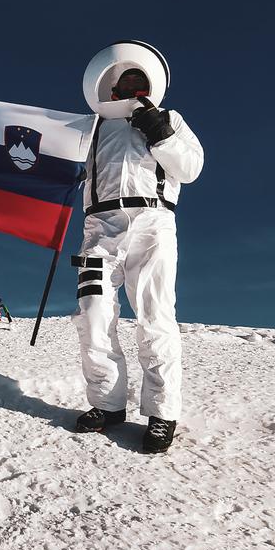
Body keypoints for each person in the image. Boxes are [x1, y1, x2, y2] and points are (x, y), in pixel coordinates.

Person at [71, 41, 204, 453]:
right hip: (100, 226)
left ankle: (162, 413)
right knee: (93, 312)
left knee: (155, 316)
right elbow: (57, 167)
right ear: (108, 89)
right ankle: (108, 404)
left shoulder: (169, 119)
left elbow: (191, 168)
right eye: (121, 82)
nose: (128, 88)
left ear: (148, 86)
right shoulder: (88, 127)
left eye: (136, 81)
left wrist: (158, 131)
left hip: (153, 222)